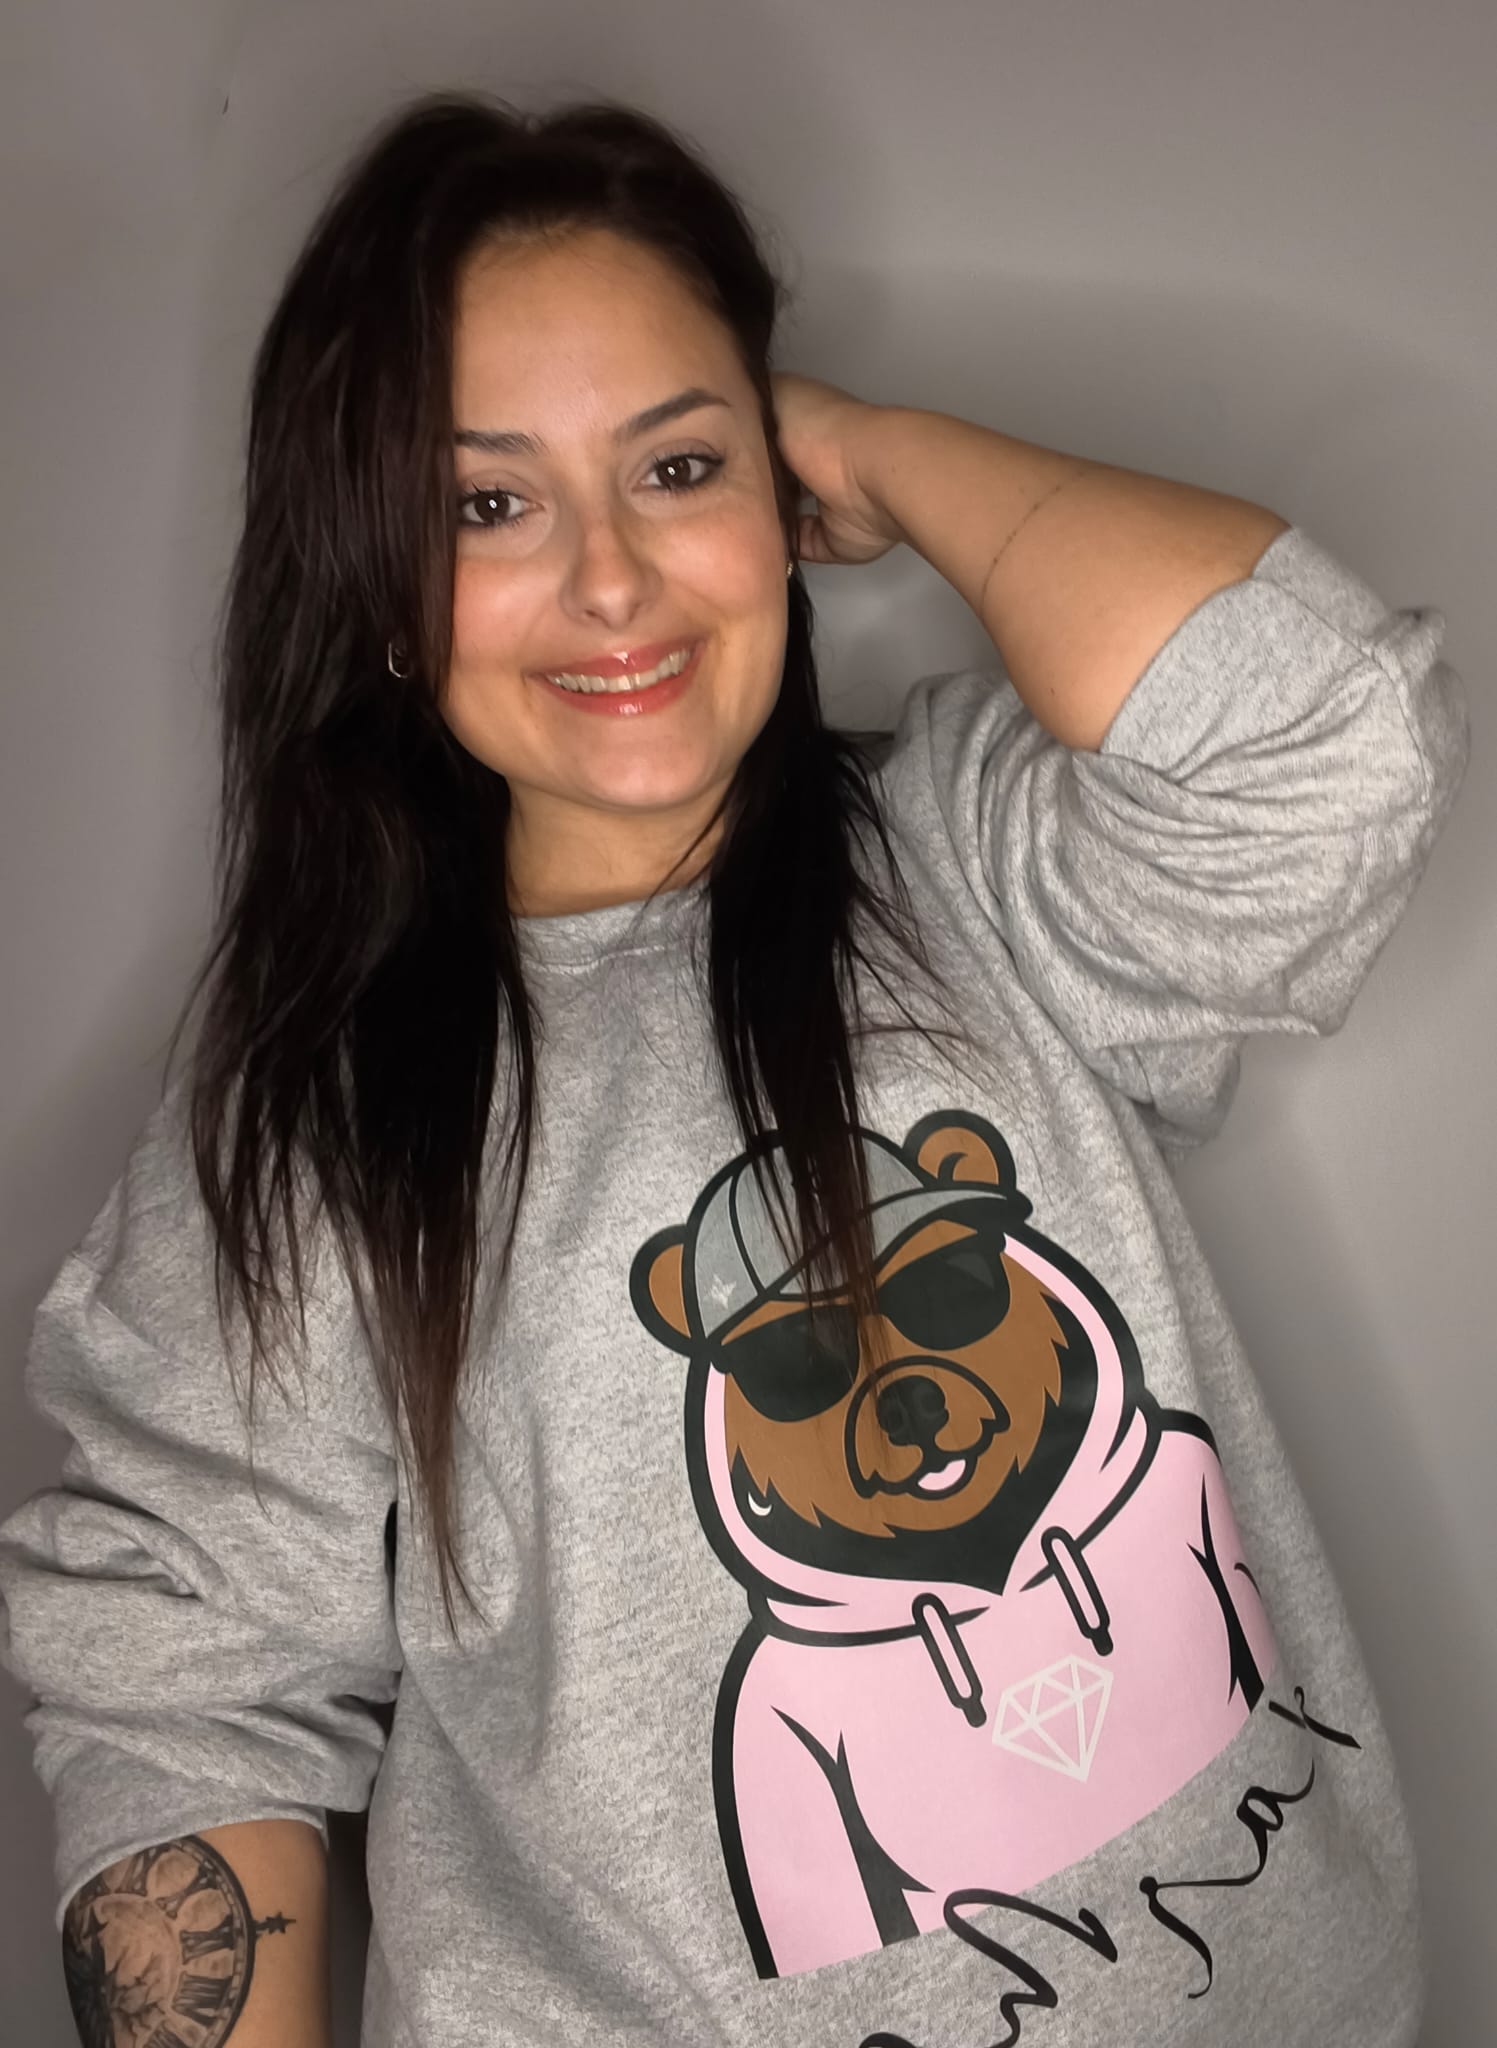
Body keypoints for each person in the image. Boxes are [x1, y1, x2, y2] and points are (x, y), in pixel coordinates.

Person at [0, 89, 1467, 2048]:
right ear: (372, 581)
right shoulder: (319, 1106)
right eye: (487, 504)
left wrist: (863, 447)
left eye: (675, 465)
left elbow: (1320, 738)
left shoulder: (967, 860)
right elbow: (181, 1677)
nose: (611, 580)